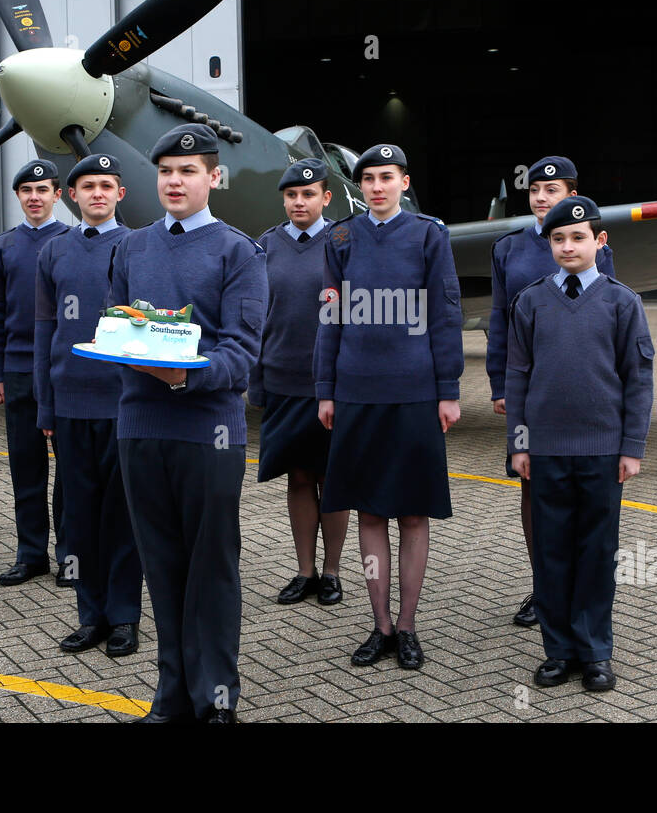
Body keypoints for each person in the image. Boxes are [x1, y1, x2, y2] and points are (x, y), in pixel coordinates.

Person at [110, 123, 266, 723]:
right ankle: (172, 694)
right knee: (162, 567)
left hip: (209, 431)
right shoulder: (133, 247)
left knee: (211, 568)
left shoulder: (238, 252)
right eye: (167, 172)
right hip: (140, 426)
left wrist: (187, 377)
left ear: (213, 178)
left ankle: (216, 697)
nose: (175, 182)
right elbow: (118, 327)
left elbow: (243, 352)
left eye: (188, 171)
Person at [314, 143, 464, 671]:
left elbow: (446, 315)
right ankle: (379, 627)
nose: (377, 187)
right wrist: (326, 388)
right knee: (370, 511)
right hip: (356, 392)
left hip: (415, 393)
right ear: (360, 187)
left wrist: (448, 389)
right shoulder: (340, 237)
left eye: (387, 177)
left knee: (414, 513)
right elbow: (329, 315)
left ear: (403, 181)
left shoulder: (429, 234)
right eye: (369, 179)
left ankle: (408, 625)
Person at [505, 195, 654, 693]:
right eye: (558, 239)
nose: (568, 246)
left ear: (599, 241)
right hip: (545, 450)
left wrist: (631, 446)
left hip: (602, 451)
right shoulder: (530, 301)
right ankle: (558, 651)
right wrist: (519, 444)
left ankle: (594, 652)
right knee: (551, 553)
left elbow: (637, 379)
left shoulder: (621, 302)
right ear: (548, 243)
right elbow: (518, 376)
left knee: (595, 552)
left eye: (578, 237)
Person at [487, 155, 615, 626]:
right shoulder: (508, 249)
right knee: (533, 488)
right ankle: (545, 588)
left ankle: (583, 591)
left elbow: (611, 318)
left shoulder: (595, 244)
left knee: (586, 496)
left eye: (553, 190)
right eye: (536, 191)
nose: (542, 198)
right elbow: (498, 318)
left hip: (586, 394)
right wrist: (499, 383)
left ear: (573, 196)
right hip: (532, 393)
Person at [35, 154, 143, 657]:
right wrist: (46, 408)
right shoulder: (54, 253)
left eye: (106, 185)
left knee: (120, 517)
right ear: (70, 195)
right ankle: (89, 615)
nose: (96, 193)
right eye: (87, 186)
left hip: (122, 405)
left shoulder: (138, 247)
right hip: (71, 406)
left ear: (121, 194)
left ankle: (124, 617)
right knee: (78, 518)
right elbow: (44, 334)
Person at [248, 158, 348, 607]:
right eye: (291, 195)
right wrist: (257, 380)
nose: (299, 202)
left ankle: (332, 573)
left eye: (308, 194)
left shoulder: (344, 242)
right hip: (284, 381)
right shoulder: (265, 245)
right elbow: (253, 319)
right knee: (299, 478)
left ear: (326, 198)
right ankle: (304, 571)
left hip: (333, 385)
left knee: (334, 478)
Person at [0, 160, 71, 586]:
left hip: (62, 373)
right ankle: (30, 553)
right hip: (20, 371)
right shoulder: (2, 248)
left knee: (69, 470)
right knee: (26, 468)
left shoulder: (73, 242)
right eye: (26, 190)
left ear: (58, 195)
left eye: (43, 189)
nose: (34, 197)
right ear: (17, 197)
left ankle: (68, 557)